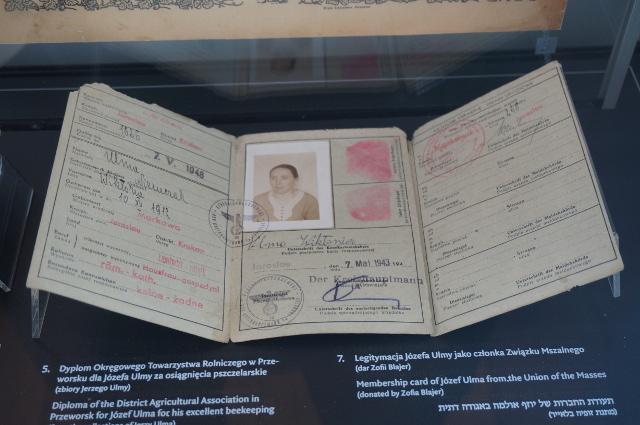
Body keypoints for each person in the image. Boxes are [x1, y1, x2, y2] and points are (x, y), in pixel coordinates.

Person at [253, 164, 320, 221]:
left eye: (284, 178)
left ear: (296, 180)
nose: (278, 182)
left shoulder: (310, 201)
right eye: (273, 178)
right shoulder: (258, 200)